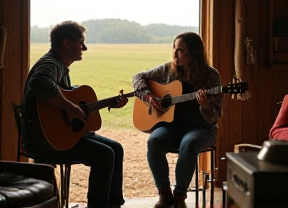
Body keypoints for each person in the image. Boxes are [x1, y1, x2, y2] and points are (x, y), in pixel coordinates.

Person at [21, 21, 128, 208]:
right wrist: (71, 107)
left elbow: (71, 105)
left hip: (58, 135)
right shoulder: (50, 63)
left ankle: (113, 205)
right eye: (81, 42)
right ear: (66, 43)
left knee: (116, 148)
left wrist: (108, 104)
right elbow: (39, 83)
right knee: (105, 155)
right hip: (45, 142)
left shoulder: (59, 66)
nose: (84, 48)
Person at [132, 32, 223, 208]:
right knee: (154, 140)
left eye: (180, 50)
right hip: (171, 125)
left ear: (193, 52)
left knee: (188, 143)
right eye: (174, 47)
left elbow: (214, 117)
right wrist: (148, 96)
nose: (174, 53)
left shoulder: (211, 76)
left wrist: (205, 105)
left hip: (201, 127)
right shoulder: (168, 69)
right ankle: (164, 194)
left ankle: (180, 196)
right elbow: (137, 77)